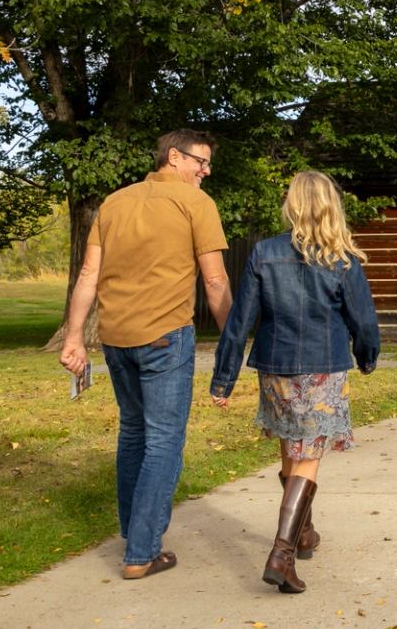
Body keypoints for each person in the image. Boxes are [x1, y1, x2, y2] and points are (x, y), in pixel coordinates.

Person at [60, 129, 231, 580]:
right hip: (164, 337)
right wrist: (232, 338)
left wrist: (75, 337)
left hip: (115, 340)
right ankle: (142, 551)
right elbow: (214, 282)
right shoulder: (197, 205)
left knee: (134, 432)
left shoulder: (114, 203)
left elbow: (88, 275)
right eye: (201, 162)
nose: (206, 171)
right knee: (163, 440)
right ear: (174, 157)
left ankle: (132, 531)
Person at [209, 169, 380, 594]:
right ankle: (282, 553)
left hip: (276, 365)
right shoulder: (341, 259)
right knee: (307, 456)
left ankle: (304, 532)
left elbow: (240, 320)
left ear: (293, 205)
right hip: (322, 368)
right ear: (330, 206)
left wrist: (223, 379)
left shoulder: (264, 253)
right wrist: (367, 357)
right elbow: (364, 322)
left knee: (292, 446)